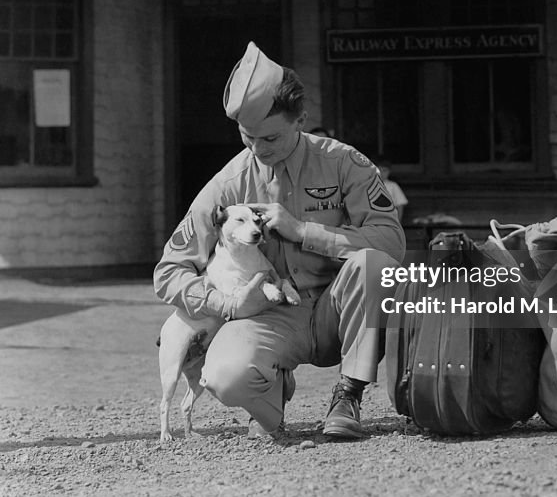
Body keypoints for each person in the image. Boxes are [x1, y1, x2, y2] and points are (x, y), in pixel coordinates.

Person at [154, 42, 406, 442]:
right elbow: (169, 272)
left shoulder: (344, 163)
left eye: (269, 139)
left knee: (374, 265)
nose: (257, 150)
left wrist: (304, 231)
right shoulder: (227, 185)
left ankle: (349, 394)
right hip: (267, 318)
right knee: (223, 376)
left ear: (301, 120)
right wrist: (227, 304)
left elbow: (391, 243)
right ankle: (270, 391)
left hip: (336, 309)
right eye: (247, 138)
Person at [375, 156, 408, 223]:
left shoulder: (393, 186)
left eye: (384, 170)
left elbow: (400, 205)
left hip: (390, 220)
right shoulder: (369, 185)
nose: (381, 173)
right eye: (379, 170)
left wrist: (398, 222)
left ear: (389, 171)